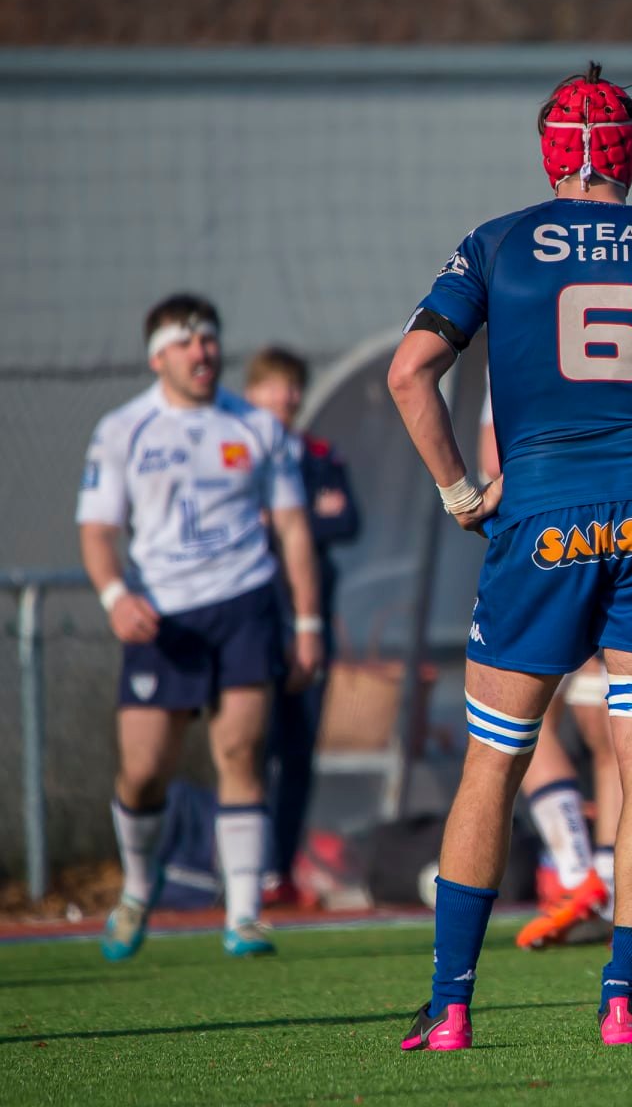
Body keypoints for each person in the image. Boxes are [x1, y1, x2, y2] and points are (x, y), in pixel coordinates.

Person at [387, 63, 632, 1051]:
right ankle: (623, 996)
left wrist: (457, 491)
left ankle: (449, 1008)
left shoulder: (495, 244)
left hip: (543, 518)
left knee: (497, 757)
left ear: (547, 150)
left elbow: (411, 372)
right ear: (629, 152)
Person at [78, 294, 324, 961]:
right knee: (143, 773)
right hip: (162, 617)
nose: (201, 352)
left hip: (244, 606)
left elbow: (294, 529)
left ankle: (243, 916)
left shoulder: (256, 427)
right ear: (157, 355)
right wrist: (113, 596)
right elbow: (98, 529)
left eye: (209, 340)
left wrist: (306, 624)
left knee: (242, 756)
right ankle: (137, 888)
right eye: (186, 342)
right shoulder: (122, 429)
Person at [480, 353, 632, 951]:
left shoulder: (523, 309)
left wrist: (472, 508)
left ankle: (580, 875)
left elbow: (489, 454)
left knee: (510, 735)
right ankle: (630, 902)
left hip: (551, 540)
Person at [242, 346, 361, 907]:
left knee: (298, 748)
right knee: (246, 744)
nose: (284, 398)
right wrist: (300, 519)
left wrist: (288, 522)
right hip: (252, 619)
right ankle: (244, 869)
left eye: (292, 387)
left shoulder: (317, 453)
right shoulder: (236, 454)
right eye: (272, 386)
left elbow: (347, 520)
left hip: (310, 623)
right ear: (251, 394)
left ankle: (279, 869)